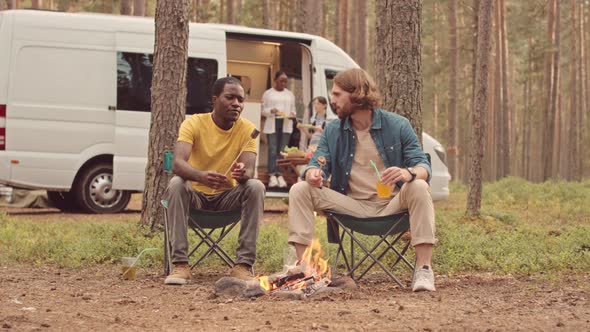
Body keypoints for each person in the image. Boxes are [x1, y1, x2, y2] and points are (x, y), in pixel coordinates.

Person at [288, 68, 437, 292]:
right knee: (300, 189)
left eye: (338, 95)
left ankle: (424, 270)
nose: (332, 100)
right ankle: (305, 269)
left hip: (391, 205)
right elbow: (318, 162)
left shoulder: (397, 125)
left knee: (418, 185)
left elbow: (423, 166)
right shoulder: (333, 130)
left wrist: (409, 173)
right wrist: (313, 173)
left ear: (357, 94)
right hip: (352, 207)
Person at [164, 76, 265, 285]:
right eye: (230, 98)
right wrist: (201, 176)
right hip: (196, 198)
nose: (236, 104)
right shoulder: (193, 123)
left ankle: (243, 265)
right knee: (176, 183)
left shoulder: (247, 129)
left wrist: (241, 172)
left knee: (255, 186)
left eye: (240, 99)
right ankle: (181, 265)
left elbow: (249, 171)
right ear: (215, 99)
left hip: (227, 199)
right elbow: (177, 164)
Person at [261, 71, 296, 189]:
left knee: (282, 151)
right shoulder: (268, 94)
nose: (284, 83)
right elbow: (263, 111)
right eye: (281, 80)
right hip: (272, 124)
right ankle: (272, 175)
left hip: (286, 125)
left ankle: (280, 175)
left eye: (285, 81)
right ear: (275, 80)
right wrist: (271, 111)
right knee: (272, 150)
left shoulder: (290, 94)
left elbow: (293, 110)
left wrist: (292, 114)